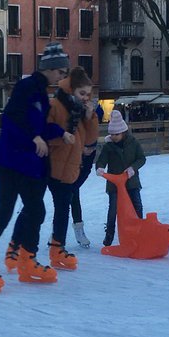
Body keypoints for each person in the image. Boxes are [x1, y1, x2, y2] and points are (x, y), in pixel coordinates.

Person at [0, 43, 73, 292]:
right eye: (61, 71)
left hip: (31, 165)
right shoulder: (27, 87)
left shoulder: (42, 94)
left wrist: (61, 133)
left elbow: (39, 127)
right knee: (5, 211)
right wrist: (34, 138)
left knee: (36, 211)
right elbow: (12, 119)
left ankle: (27, 261)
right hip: (12, 161)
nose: (63, 76)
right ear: (50, 69)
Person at [46, 67, 99, 269]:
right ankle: (49, 249)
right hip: (54, 167)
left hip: (73, 167)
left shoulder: (80, 110)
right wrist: (63, 136)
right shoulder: (56, 105)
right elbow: (46, 131)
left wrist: (90, 117)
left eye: (88, 94)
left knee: (62, 208)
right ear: (71, 90)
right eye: (82, 93)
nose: (86, 97)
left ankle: (57, 248)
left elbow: (91, 139)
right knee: (57, 208)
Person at [96, 109, 147, 248]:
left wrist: (133, 169)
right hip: (114, 185)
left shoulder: (134, 143)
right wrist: (100, 168)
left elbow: (142, 159)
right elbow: (101, 160)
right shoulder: (108, 147)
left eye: (116, 134)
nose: (113, 136)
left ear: (123, 132)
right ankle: (109, 235)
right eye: (111, 134)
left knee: (137, 206)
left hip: (132, 182)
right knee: (113, 210)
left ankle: (139, 233)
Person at [70, 92, 102, 248]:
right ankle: (67, 232)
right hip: (69, 163)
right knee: (69, 196)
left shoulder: (93, 122)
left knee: (72, 194)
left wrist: (89, 149)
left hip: (83, 164)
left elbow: (92, 142)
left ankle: (64, 232)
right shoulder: (73, 120)